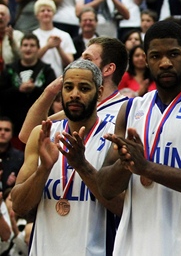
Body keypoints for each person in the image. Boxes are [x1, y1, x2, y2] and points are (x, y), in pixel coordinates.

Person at [97, 20, 181, 255]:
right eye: (155, 56)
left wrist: (147, 167)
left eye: (173, 54)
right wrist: (125, 164)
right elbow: (105, 188)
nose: (165, 63)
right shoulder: (130, 110)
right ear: (146, 60)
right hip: (135, 246)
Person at [11, 59, 123, 255]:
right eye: (68, 87)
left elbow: (122, 206)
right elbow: (19, 206)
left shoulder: (113, 138)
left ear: (98, 92)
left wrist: (82, 166)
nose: (74, 95)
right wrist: (43, 169)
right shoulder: (42, 135)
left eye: (84, 88)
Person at [18, 36, 129, 144]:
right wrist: (50, 91)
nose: (79, 64)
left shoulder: (129, 109)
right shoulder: (76, 107)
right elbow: (27, 136)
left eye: (87, 59)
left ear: (108, 69)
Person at [0, 34, 56, 146]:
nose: (28, 48)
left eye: (32, 45)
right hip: (13, 126)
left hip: (39, 125)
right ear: (20, 48)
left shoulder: (47, 70)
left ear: (38, 49)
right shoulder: (10, 69)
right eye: (25, 45)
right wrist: (18, 89)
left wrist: (35, 89)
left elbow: (54, 96)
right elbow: (1, 94)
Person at [32, 0, 76, 77]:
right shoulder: (33, 36)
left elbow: (70, 62)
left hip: (58, 78)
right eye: (42, 11)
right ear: (37, 15)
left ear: (54, 14)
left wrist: (58, 47)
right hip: (37, 79)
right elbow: (31, 59)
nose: (46, 13)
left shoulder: (64, 35)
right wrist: (47, 46)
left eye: (49, 10)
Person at [0, 5, 23, 73]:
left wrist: (12, 41)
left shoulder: (18, 35)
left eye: (2, 14)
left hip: (10, 75)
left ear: (9, 18)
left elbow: (21, 58)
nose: (0, 17)